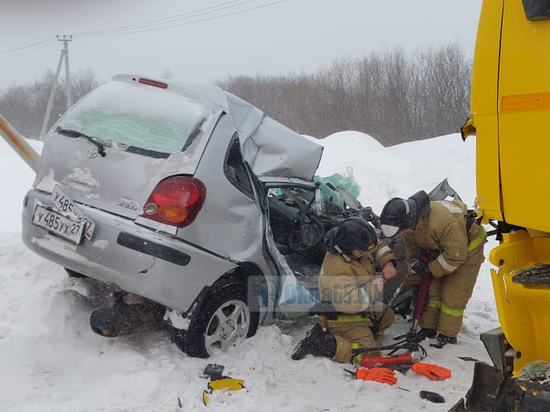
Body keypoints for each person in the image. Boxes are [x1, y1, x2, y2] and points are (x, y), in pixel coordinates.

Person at [379, 191, 486, 348]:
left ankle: (447, 335)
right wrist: (416, 279)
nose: (402, 234)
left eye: (402, 231)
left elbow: (455, 256)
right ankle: (428, 328)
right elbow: (413, 254)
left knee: (453, 294)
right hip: (442, 246)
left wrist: (430, 269)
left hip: (467, 248)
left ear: (409, 221)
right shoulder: (408, 228)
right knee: (432, 291)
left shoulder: (442, 223)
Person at [291, 217, 398, 363]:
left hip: (360, 309)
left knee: (387, 316)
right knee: (369, 355)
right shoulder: (336, 268)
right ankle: (325, 344)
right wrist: (373, 288)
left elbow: (377, 246)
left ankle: (362, 334)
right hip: (342, 315)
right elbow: (348, 303)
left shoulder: (355, 244)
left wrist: (388, 263)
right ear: (351, 250)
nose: (368, 251)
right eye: (363, 250)